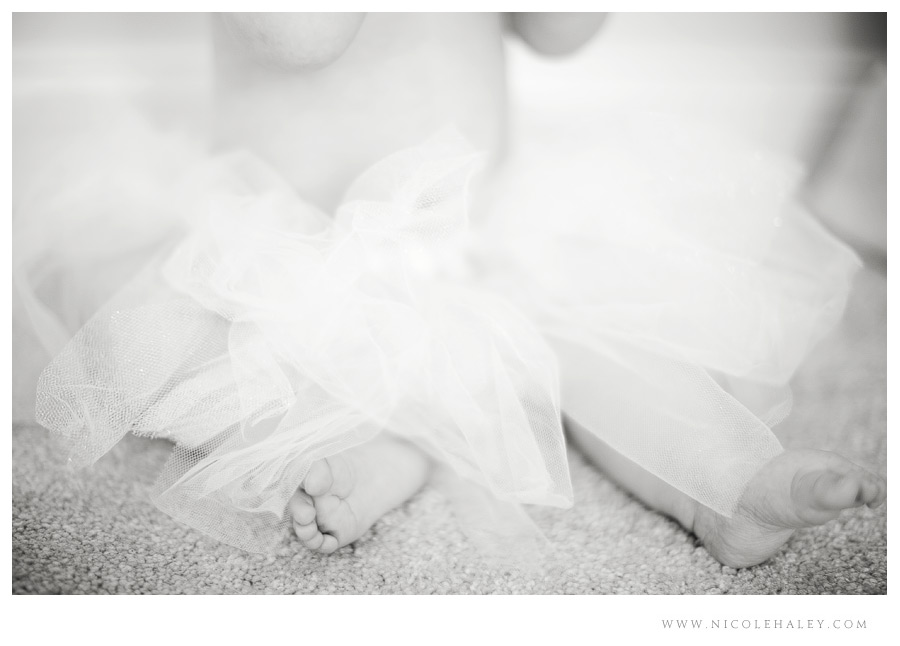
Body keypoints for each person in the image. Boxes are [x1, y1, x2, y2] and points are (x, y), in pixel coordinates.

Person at [22, 13, 885, 569]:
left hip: (485, 238)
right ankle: (366, 438)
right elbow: (297, 32)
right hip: (288, 256)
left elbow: (561, 30)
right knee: (159, 329)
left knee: (611, 342)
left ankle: (726, 485)